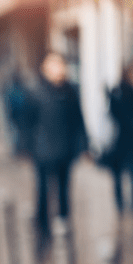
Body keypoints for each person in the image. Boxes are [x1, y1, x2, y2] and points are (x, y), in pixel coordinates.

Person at [29, 52, 88, 238]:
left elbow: (78, 120)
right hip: (43, 151)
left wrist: (83, 144)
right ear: (45, 68)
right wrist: (28, 147)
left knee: (64, 189)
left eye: (61, 64)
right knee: (43, 190)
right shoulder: (36, 92)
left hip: (65, 150)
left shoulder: (70, 91)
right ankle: (42, 226)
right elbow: (27, 122)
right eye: (54, 65)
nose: (59, 69)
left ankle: (64, 221)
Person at [104, 65, 133, 215]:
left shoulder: (116, 91)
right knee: (132, 174)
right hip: (131, 141)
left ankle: (120, 202)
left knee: (119, 174)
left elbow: (112, 114)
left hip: (119, 140)